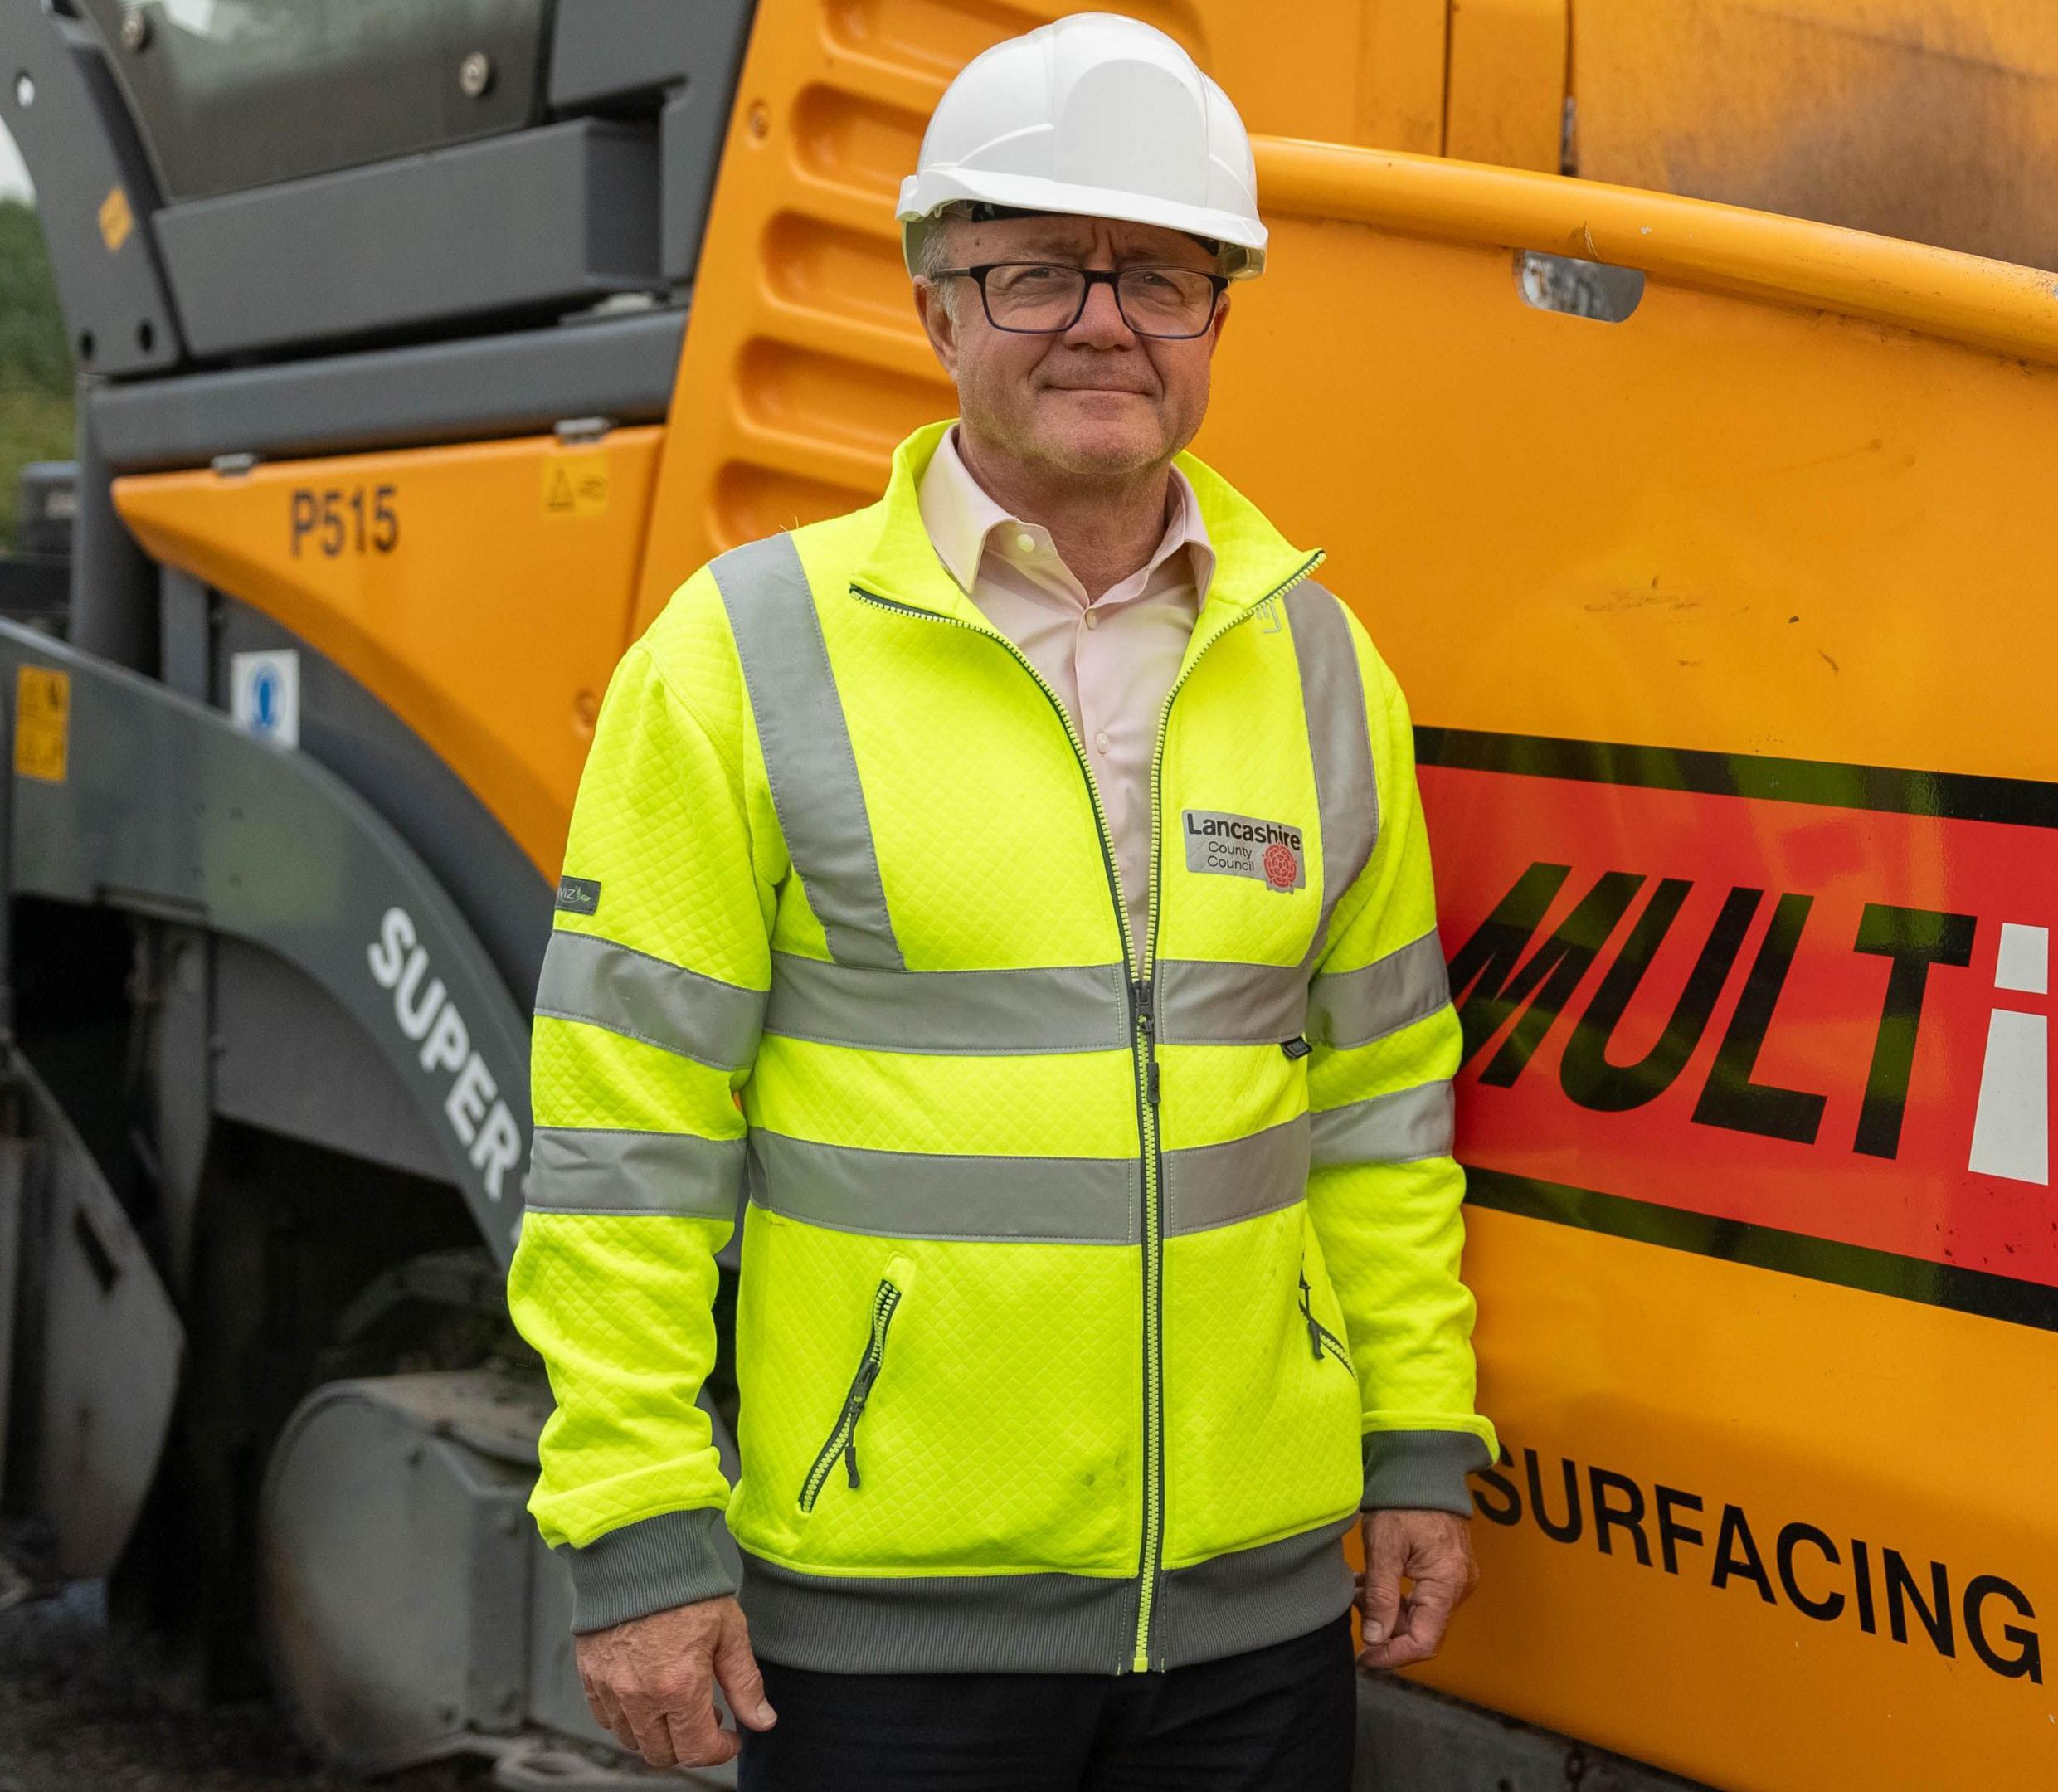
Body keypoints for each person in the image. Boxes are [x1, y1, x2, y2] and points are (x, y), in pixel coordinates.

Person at [504, 17, 1491, 1788]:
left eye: (1163, 276)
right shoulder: (743, 657)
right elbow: (621, 1136)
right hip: (888, 1634)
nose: (1105, 319)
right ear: (934, 303)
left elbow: (1381, 1104)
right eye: (1037, 269)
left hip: (1258, 1629)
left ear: (1218, 321)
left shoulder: (1325, 667)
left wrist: (1418, 1433)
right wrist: (635, 1526)